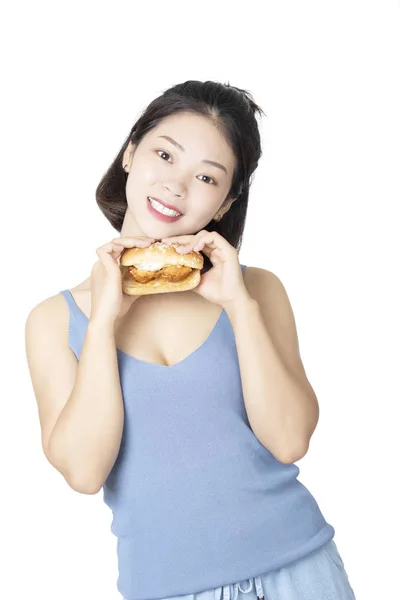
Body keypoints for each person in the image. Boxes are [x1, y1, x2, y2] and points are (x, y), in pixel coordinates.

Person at [25, 80, 356, 600]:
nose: (177, 186)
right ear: (130, 154)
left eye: (207, 176)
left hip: (303, 573)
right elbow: (85, 472)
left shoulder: (257, 289)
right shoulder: (53, 320)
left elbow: (291, 440)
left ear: (225, 203)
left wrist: (238, 305)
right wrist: (103, 323)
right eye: (164, 154)